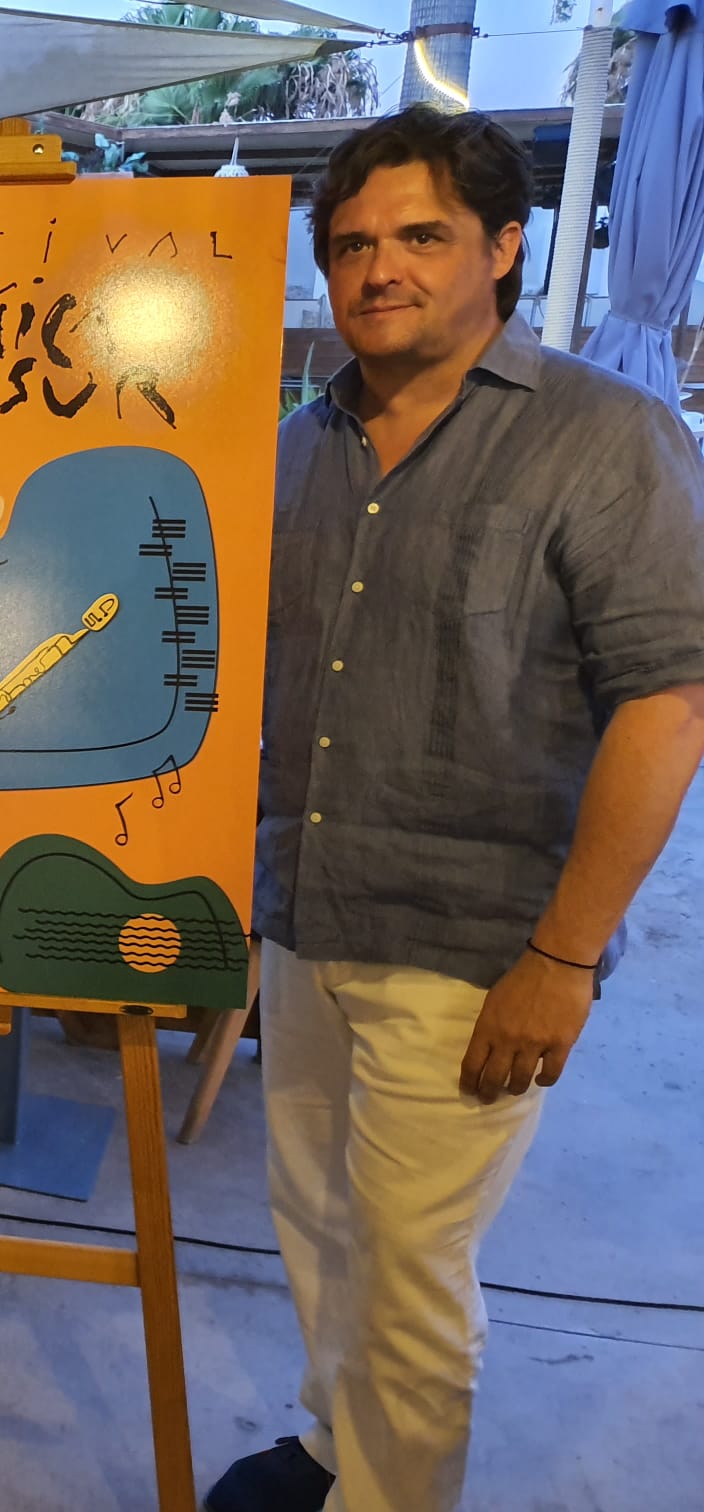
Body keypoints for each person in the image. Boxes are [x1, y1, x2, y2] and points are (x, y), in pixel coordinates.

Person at [205, 108, 704, 1512]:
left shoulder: (608, 437)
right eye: (352, 243)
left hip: (479, 952)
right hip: (307, 913)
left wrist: (563, 957)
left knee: (411, 1267)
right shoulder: (297, 448)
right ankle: (331, 1449)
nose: (380, 269)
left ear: (504, 247)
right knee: (316, 1223)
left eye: (421, 235)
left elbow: (669, 703)